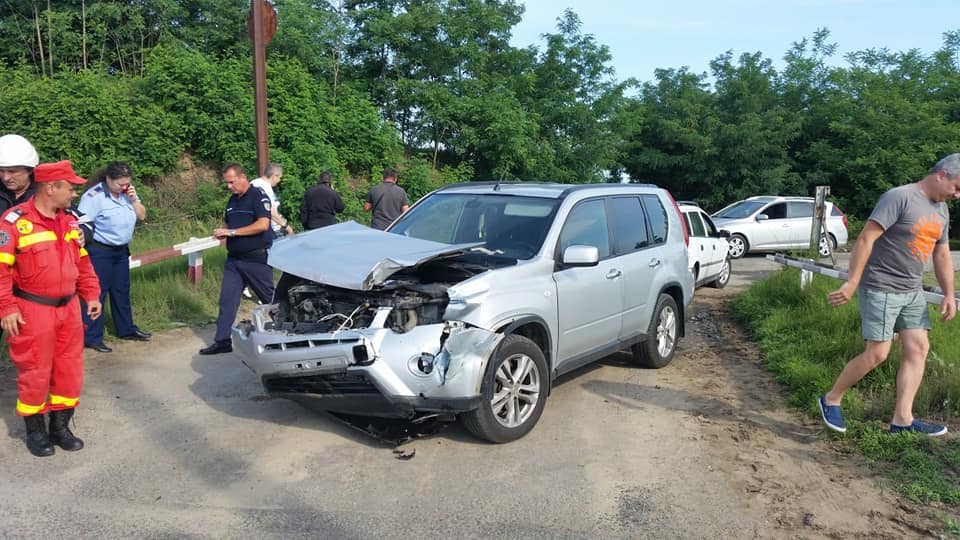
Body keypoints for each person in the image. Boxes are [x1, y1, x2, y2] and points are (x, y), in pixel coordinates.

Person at [819, 154, 960, 437]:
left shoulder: (942, 210)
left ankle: (902, 420)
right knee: (878, 353)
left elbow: (942, 253)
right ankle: (831, 398)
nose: (957, 194)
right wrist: (851, 282)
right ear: (942, 175)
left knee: (918, 348)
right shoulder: (900, 197)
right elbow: (866, 238)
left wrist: (948, 293)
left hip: (912, 290)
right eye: (957, 187)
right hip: (881, 285)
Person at [0, 160, 102, 457]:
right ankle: (36, 432)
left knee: (69, 369)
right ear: (50, 187)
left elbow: (82, 262)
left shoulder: (70, 220)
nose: (74, 194)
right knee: (35, 371)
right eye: (70, 188)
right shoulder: (13, 222)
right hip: (32, 310)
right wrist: (6, 308)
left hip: (68, 308)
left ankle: (60, 427)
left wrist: (91, 294)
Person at [199, 163, 275, 355]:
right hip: (234, 260)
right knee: (227, 301)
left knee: (270, 300)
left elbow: (262, 225)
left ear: (242, 177)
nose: (229, 186)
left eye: (231, 182)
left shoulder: (257, 196)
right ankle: (222, 341)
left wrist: (232, 232)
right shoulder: (233, 200)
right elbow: (229, 221)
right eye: (227, 183)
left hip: (256, 260)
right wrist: (223, 231)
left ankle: (287, 333)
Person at [77, 162, 150, 353]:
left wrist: (134, 200)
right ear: (108, 179)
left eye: (127, 184)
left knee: (121, 290)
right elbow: (82, 223)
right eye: (120, 184)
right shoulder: (94, 197)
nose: (124, 187)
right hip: (100, 250)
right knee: (96, 293)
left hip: (121, 250)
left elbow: (142, 216)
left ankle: (126, 329)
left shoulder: (128, 194)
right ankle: (91, 336)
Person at [250, 162, 294, 238]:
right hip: (270, 230)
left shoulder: (254, 183)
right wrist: (286, 226)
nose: (279, 180)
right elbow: (271, 212)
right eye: (279, 177)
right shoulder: (264, 188)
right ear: (274, 176)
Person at [0, 133, 39, 213]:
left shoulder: (45, 195)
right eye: (1, 171)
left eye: (12, 171)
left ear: (30, 170)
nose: (5, 177)